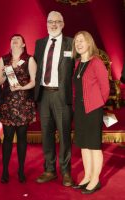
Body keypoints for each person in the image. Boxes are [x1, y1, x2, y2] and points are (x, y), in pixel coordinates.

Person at [33, 11, 74, 186]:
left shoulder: (71, 43)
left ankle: (66, 172)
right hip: (43, 95)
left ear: (63, 24)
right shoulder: (40, 43)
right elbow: (35, 68)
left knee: (64, 135)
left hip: (61, 95)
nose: (54, 24)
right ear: (47, 24)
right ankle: (50, 170)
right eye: (50, 21)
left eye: (58, 21)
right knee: (47, 135)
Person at [71, 31, 109, 194]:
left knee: (93, 146)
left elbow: (105, 88)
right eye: (76, 41)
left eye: (82, 40)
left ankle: (95, 180)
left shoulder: (96, 62)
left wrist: (97, 105)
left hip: (93, 110)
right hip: (79, 110)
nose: (78, 43)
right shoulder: (78, 63)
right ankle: (87, 177)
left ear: (89, 43)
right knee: (84, 146)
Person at [0, 34, 37, 184]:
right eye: (12, 39)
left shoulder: (29, 59)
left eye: (18, 39)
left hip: (23, 103)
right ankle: (5, 170)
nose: (14, 41)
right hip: (7, 103)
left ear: (24, 44)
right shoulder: (3, 59)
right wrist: (4, 75)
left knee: (21, 138)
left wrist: (22, 87)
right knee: (7, 138)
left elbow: (34, 81)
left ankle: (21, 170)